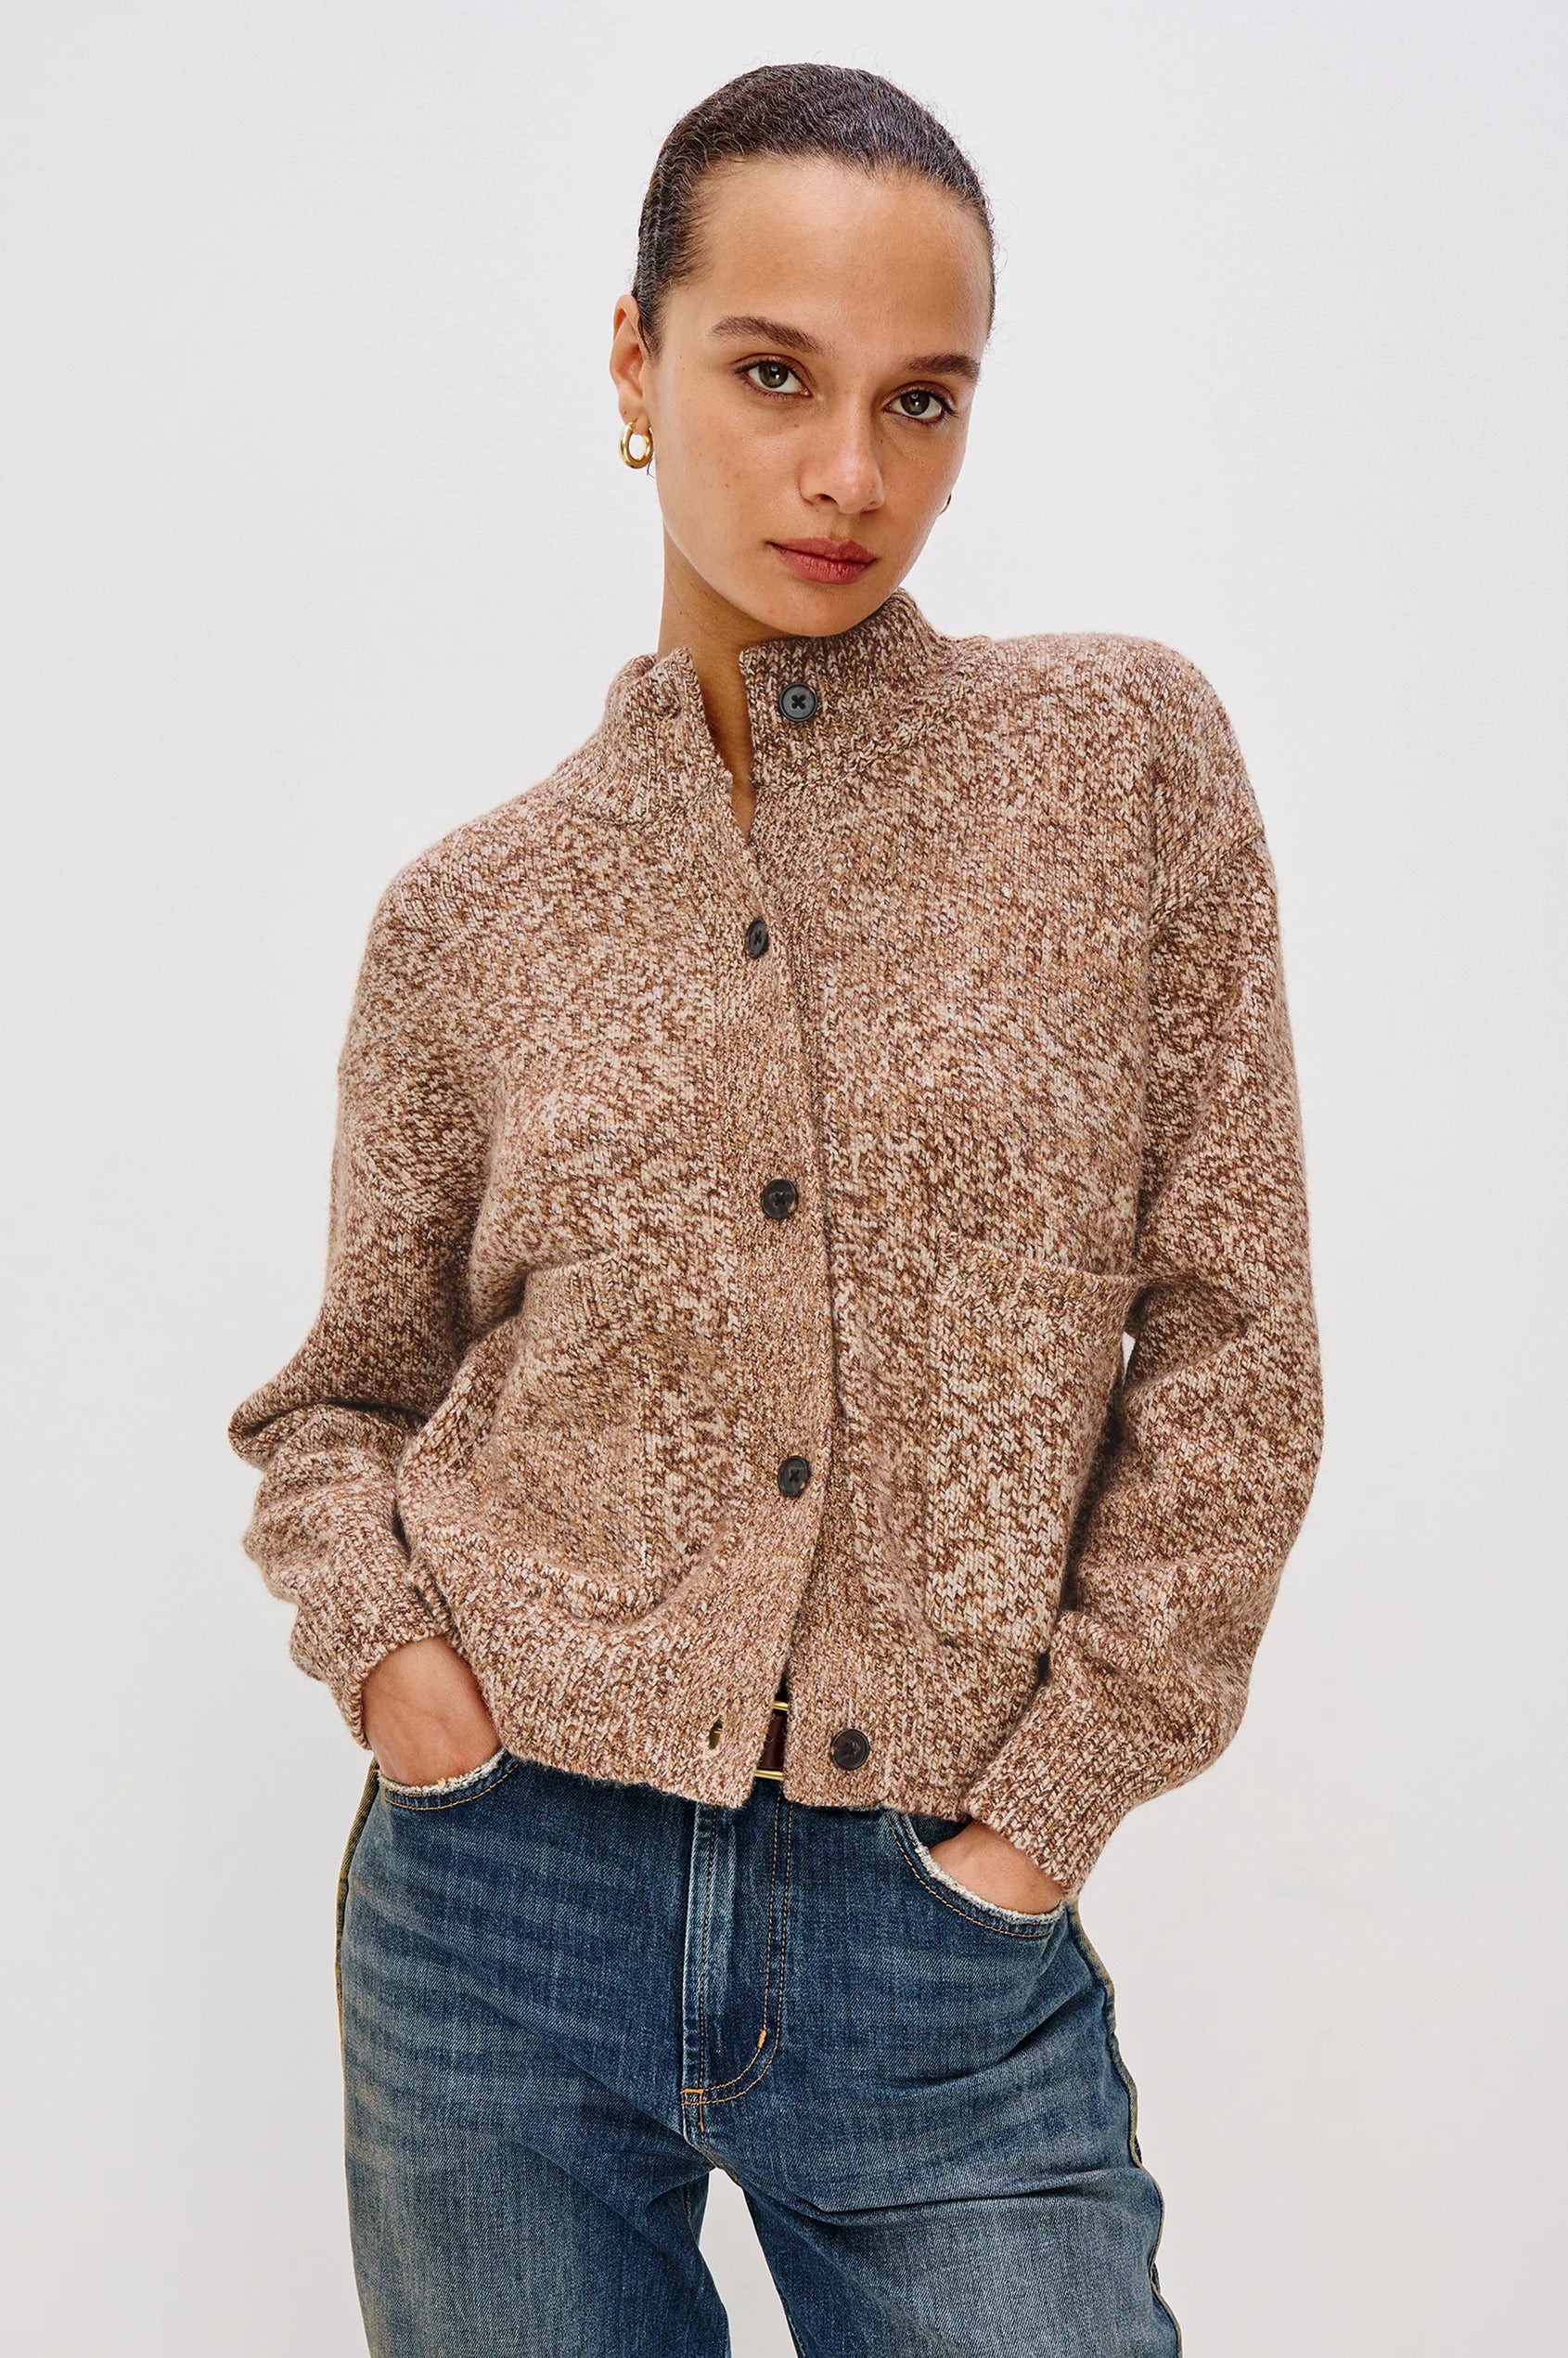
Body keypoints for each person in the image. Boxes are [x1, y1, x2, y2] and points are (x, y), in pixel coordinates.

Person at [228, 60, 1323, 2358]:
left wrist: (1041, 1817)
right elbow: (340, 1402)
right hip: (497, 1915)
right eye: (770, 374)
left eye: (920, 399)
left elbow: (1233, 1346)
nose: (848, 473)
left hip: (939, 1946)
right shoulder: (470, 915)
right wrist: (410, 1687)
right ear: (633, 363)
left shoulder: (1118, 766)